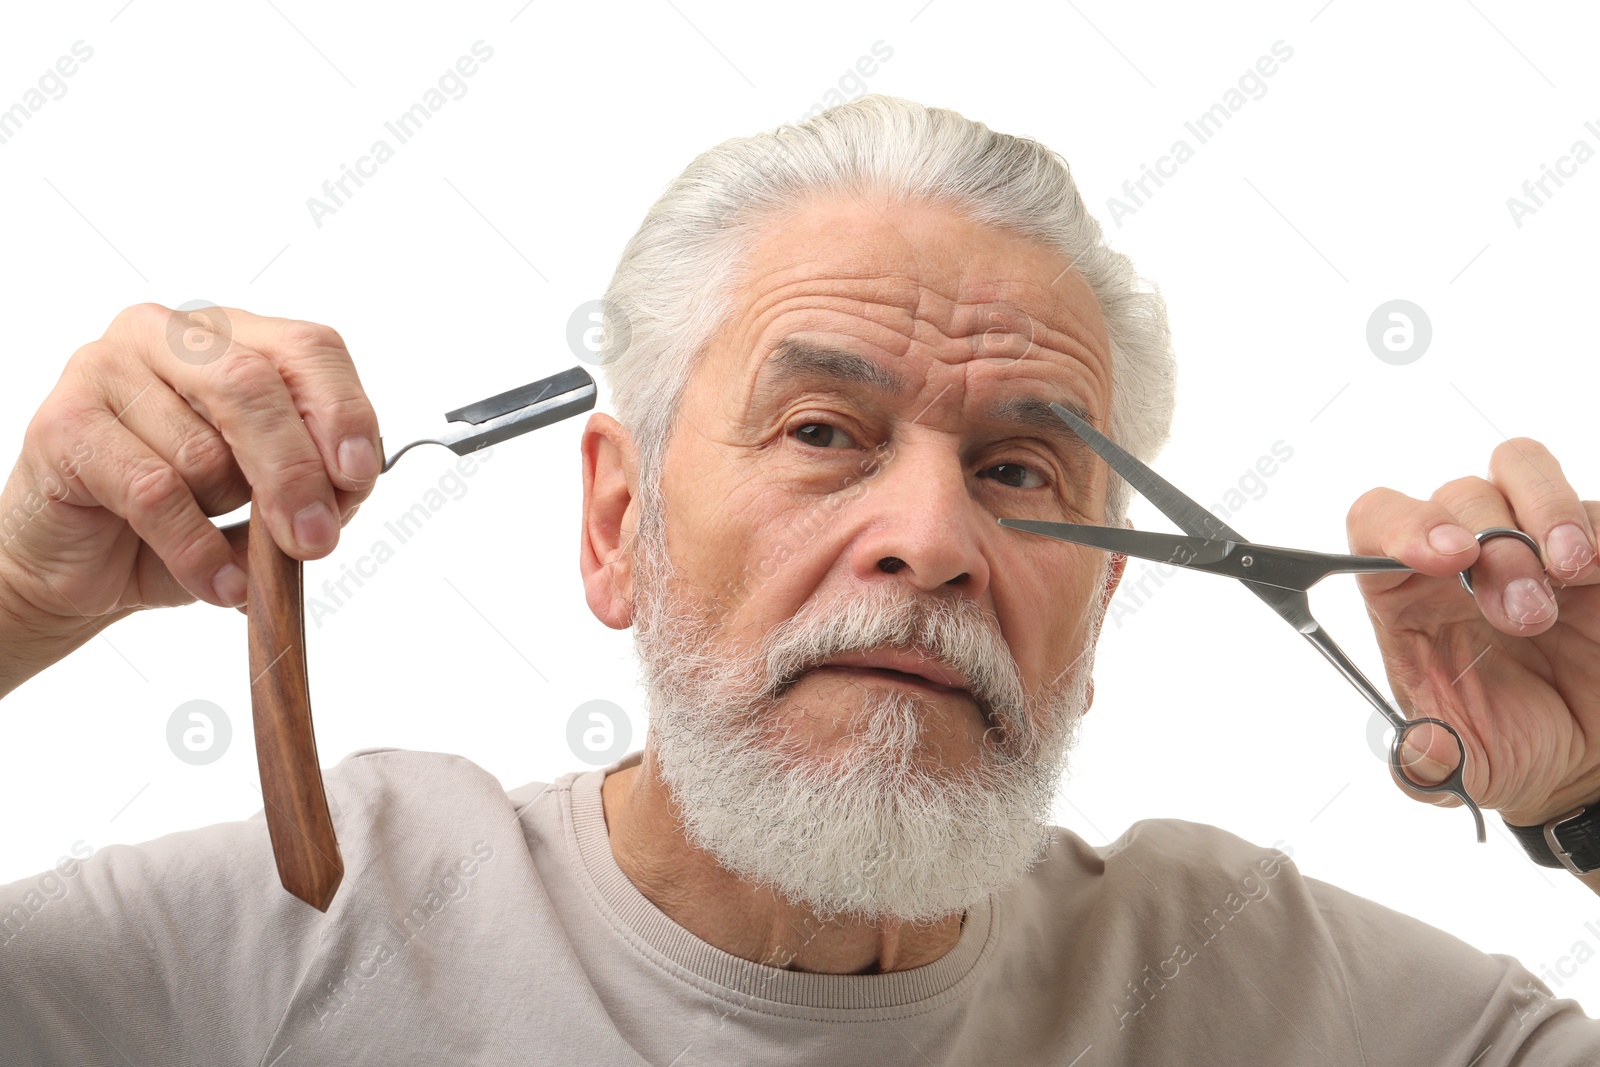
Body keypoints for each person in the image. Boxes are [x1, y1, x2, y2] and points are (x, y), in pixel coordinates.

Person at [2, 95, 1598, 1064]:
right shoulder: (301, 935)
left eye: (1024, 471)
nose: (934, 540)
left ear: (1103, 615)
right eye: (825, 429)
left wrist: (1593, 794)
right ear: (614, 527)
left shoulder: (1254, 986)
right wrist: (14, 596)